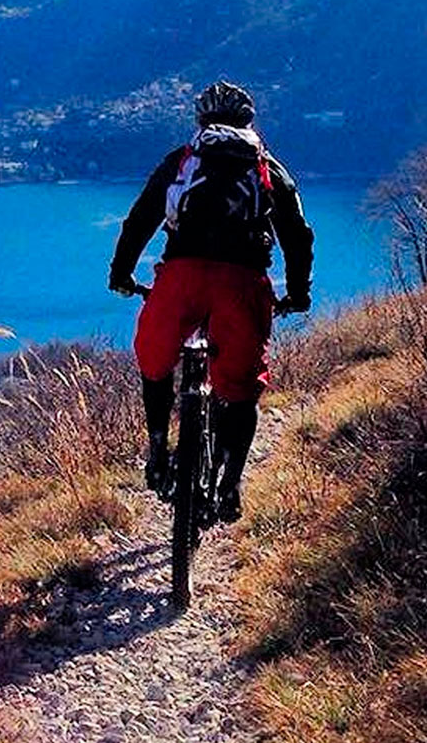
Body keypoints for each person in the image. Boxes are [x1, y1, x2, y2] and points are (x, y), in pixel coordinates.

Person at [107, 81, 313, 523]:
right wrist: (297, 293)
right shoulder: (268, 169)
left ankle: (159, 446)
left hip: (183, 277)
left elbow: (141, 218)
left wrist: (121, 274)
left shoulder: (181, 162)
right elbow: (297, 236)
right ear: (249, 122)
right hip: (241, 283)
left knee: (155, 361)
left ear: (201, 122)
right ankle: (232, 484)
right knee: (240, 388)